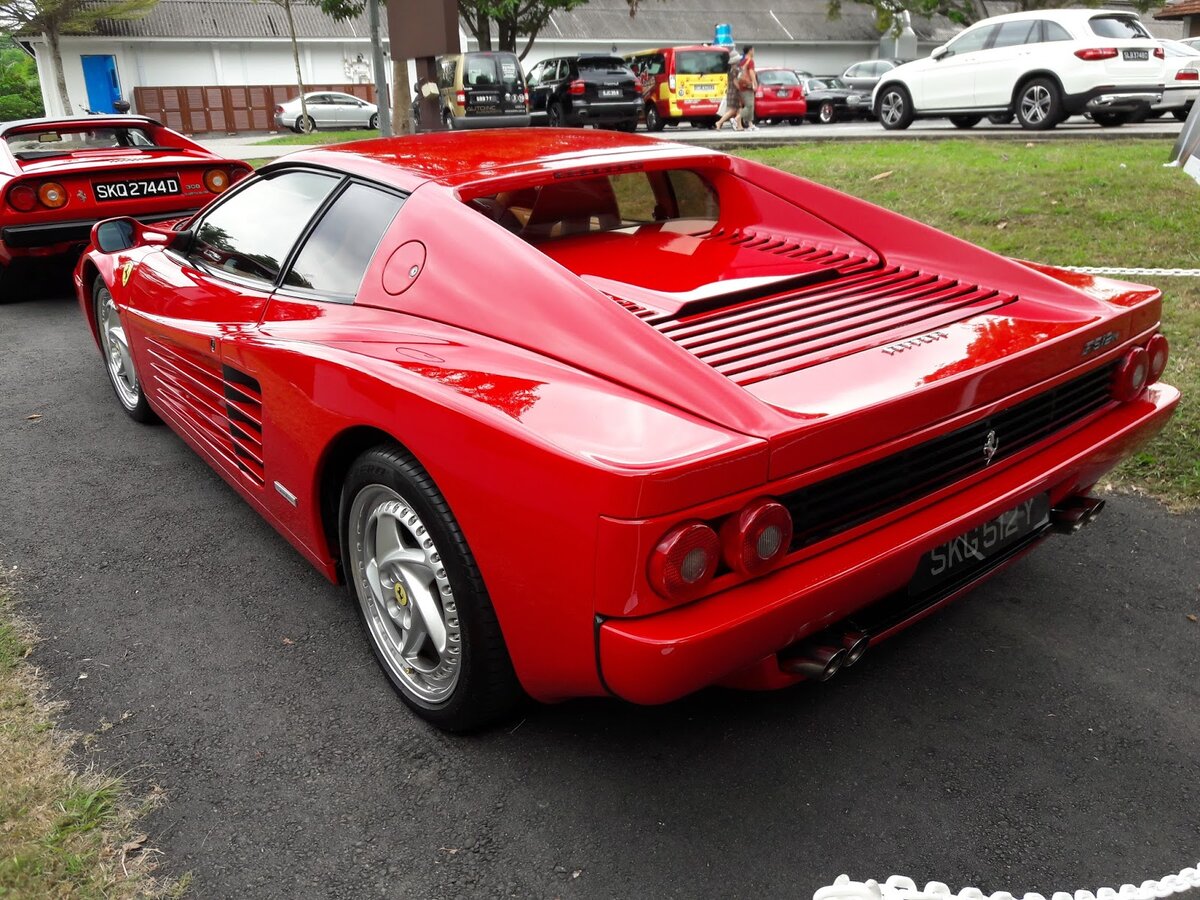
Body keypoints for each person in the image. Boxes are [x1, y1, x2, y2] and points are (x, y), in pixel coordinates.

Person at [716, 52, 744, 130]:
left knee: (739, 109)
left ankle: (739, 126)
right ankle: (719, 122)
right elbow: (736, 83)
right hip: (735, 92)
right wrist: (740, 89)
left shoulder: (731, 70)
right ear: (736, 61)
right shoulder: (735, 70)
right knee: (734, 110)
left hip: (731, 91)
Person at [738, 44, 758, 130]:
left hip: (741, 84)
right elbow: (751, 73)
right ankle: (736, 119)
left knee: (750, 105)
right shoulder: (750, 61)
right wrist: (755, 83)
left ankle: (750, 124)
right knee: (749, 105)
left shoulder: (741, 61)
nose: (754, 52)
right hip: (748, 85)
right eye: (753, 50)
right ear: (750, 50)